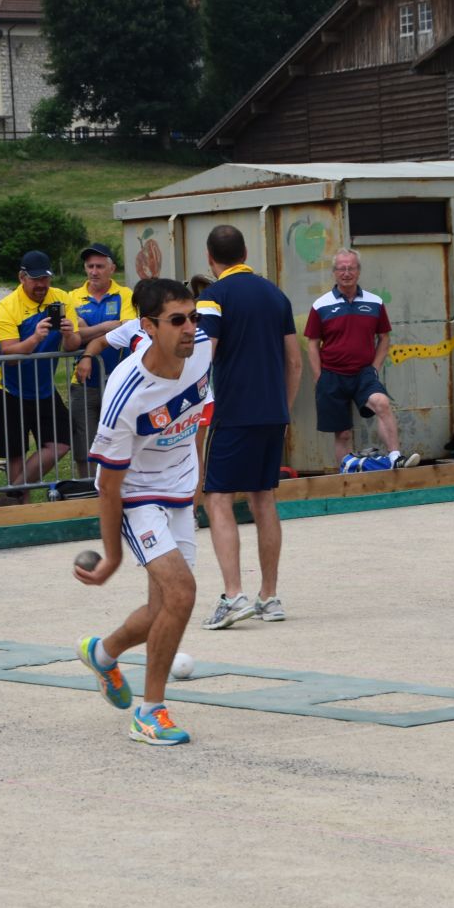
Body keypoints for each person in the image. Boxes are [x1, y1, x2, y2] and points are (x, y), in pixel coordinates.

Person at [74, 278, 212, 746]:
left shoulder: (202, 346)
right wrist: (112, 558)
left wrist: (197, 484)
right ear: (148, 326)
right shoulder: (125, 393)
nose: (190, 328)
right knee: (182, 593)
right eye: (177, 320)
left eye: (193, 317)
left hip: (180, 487)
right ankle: (150, 713)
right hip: (137, 494)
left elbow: (200, 419)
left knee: (163, 606)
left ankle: (103, 653)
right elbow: (109, 485)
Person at [195, 225, 301, 629]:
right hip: (273, 412)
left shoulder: (213, 297)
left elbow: (204, 355)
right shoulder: (276, 295)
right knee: (264, 498)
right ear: (244, 253)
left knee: (218, 498)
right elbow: (294, 362)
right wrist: (283, 409)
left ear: (210, 257)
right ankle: (269, 597)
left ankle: (234, 594)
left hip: (234, 412)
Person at [304, 249, 420, 470]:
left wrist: (374, 368)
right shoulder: (321, 305)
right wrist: (319, 377)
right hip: (332, 376)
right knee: (343, 434)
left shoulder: (374, 302)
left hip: (363, 374)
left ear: (358, 271)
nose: (346, 273)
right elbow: (313, 343)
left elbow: (384, 337)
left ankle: (395, 458)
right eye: (341, 268)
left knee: (382, 403)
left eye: (351, 268)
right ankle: (347, 477)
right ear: (334, 272)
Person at [0, 250, 78, 504]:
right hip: (7, 388)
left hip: (43, 387)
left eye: (45, 279)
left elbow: (72, 346)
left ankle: (11, 494)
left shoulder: (61, 298)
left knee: (61, 444)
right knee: (16, 453)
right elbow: (10, 354)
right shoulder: (7, 307)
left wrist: (69, 334)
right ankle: (20, 508)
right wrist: (35, 338)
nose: (41, 285)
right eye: (35, 279)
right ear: (22, 277)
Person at [66, 243, 136, 477]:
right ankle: (87, 488)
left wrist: (87, 331)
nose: (94, 272)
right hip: (83, 382)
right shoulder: (72, 297)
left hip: (118, 382)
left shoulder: (125, 294)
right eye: (90, 266)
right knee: (84, 442)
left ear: (112, 269)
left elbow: (127, 329)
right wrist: (108, 326)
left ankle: (115, 487)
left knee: (118, 440)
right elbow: (72, 337)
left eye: (99, 266)